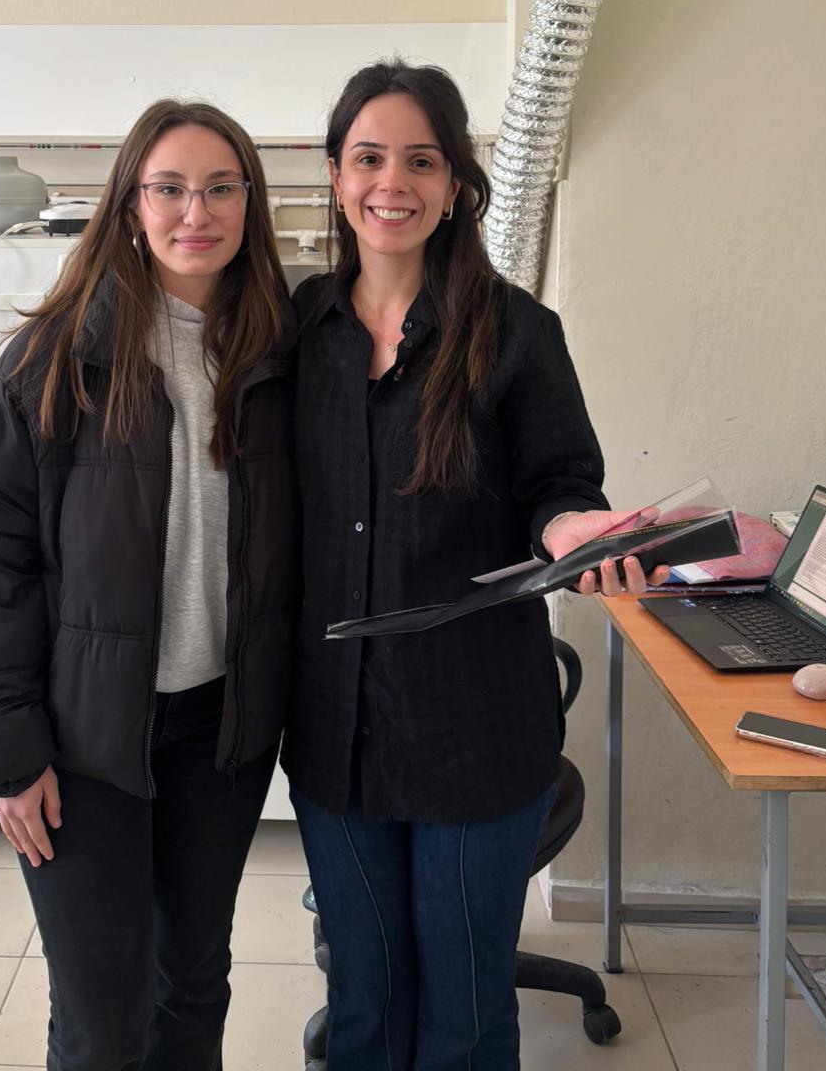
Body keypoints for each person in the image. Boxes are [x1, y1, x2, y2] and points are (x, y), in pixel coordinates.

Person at [284, 60, 668, 1071]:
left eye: (421, 160)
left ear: (456, 184)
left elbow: (561, 486)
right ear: (337, 176)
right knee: (363, 1001)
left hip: (477, 728)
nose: (392, 183)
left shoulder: (516, 335)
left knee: (463, 1013)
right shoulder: (294, 332)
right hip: (332, 727)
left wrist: (572, 531)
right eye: (369, 158)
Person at [0, 100, 298, 1071]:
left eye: (222, 187)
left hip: (221, 732)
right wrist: (6, 754)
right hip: (83, 736)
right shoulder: (57, 359)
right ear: (130, 204)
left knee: (195, 985)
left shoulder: (278, 352)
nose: (196, 212)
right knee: (103, 1018)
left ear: (251, 203)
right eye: (169, 187)